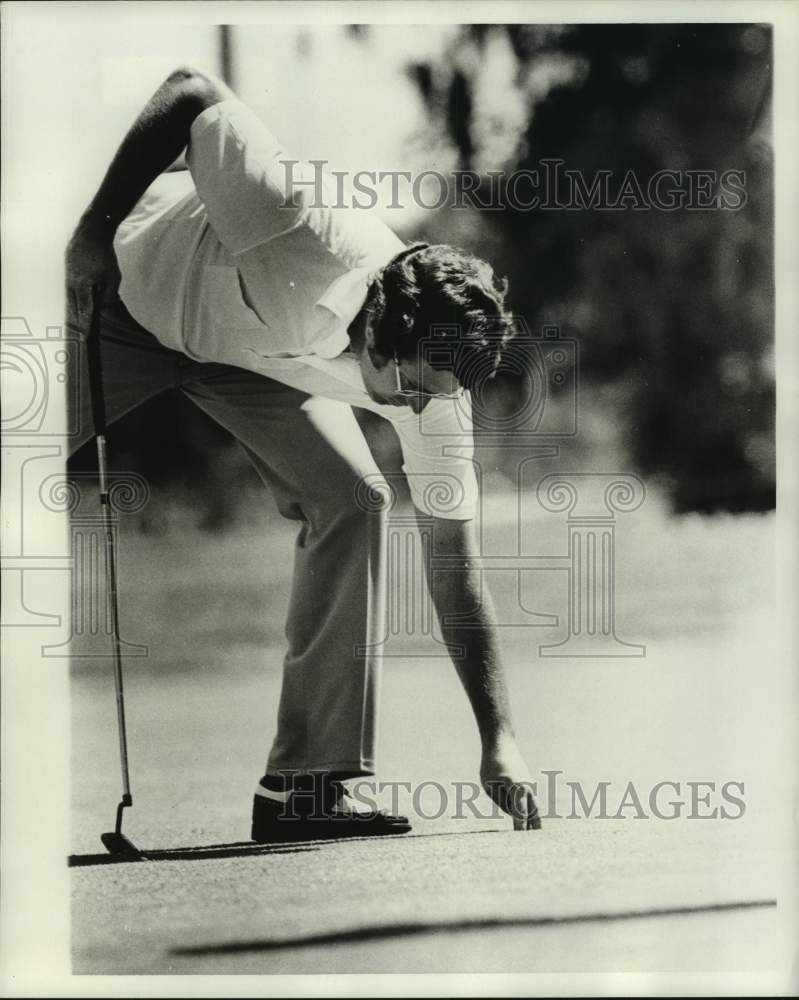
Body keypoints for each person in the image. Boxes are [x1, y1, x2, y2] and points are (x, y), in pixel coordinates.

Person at [65, 66, 540, 841]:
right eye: (416, 388)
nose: (424, 409)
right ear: (387, 331)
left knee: (353, 499)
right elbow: (191, 91)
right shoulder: (300, 223)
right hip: (122, 303)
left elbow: (455, 566)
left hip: (246, 359)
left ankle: (307, 787)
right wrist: (92, 229)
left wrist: (499, 740)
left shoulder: (436, 390)